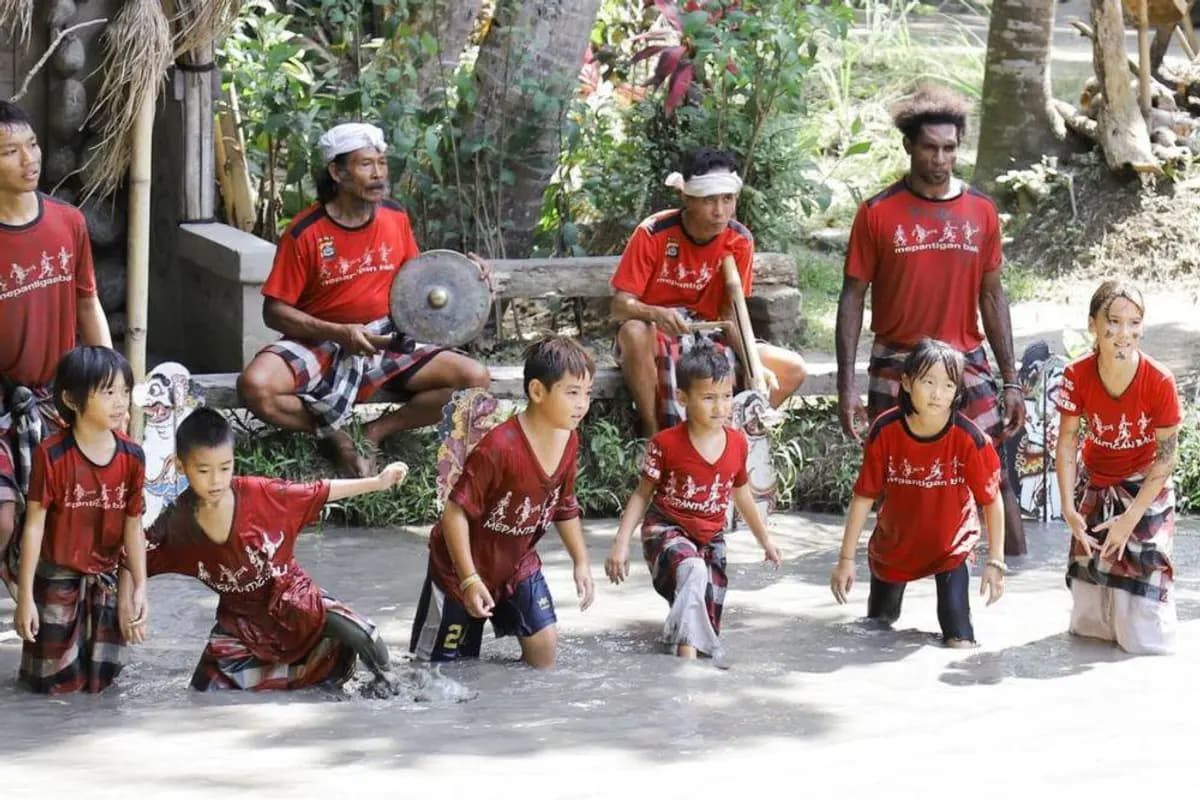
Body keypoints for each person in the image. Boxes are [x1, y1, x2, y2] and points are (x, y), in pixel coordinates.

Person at [835, 84, 1027, 556]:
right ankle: (885, 599)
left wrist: (1011, 379)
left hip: (965, 358)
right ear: (909, 146)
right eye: (929, 147)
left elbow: (993, 294)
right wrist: (846, 385)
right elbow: (852, 296)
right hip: (897, 360)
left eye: (949, 148)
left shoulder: (981, 211)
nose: (940, 159)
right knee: (892, 481)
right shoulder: (877, 213)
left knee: (994, 472)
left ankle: (1013, 571)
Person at [237, 122, 490, 478]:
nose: (378, 174)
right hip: (318, 341)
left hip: (385, 339)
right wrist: (339, 333)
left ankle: (374, 433)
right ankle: (335, 436)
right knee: (256, 387)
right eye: (365, 164)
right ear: (337, 172)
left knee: (474, 378)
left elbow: (419, 281)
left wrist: (467, 272)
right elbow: (274, 312)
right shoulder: (305, 232)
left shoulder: (395, 217)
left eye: (382, 163)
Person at [137, 407, 411, 694]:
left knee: (365, 635)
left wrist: (377, 483)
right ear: (181, 467)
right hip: (240, 619)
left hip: (293, 598)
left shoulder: (262, 494)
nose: (216, 481)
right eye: (203, 470)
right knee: (201, 692)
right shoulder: (177, 521)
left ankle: (392, 685)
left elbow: (318, 490)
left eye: (225, 468)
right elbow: (139, 556)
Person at [409, 336, 596, 668]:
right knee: (442, 669)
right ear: (538, 392)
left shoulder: (569, 438)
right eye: (572, 393)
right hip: (459, 569)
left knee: (544, 650)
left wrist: (580, 561)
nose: (582, 404)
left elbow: (563, 503)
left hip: (517, 562)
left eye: (587, 393)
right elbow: (454, 514)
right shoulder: (499, 447)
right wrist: (468, 579)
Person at [605, 343, 781, 664]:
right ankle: (683, 670)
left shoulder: (737, 443)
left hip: (710, 538)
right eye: (708, 398)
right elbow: (642, 494)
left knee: (709, 631)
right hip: (665, 530)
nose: (720, 407)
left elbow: (741, 494)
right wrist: (620, 544)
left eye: (726, 396)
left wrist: (765, 541)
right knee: (693, 569)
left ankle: (682, 656)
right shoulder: (665, 444)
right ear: (683, 399)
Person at [611, 147, 806, 435]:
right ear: (687, 198)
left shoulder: (739, 240)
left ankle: (733, 440)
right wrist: (655, 313)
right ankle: (655, 437)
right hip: (657, 333)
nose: (719, 212)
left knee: (792, 369)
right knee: (633, 332)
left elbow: (731, 314)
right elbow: (619, 306)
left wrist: (753, 365)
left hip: (711, 337)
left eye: (727, 200)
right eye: (709, 201)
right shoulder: (654, 232)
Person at [0, 100, 111, 596]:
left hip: (57, 397)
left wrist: (110, 381)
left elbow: (88, 305)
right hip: (3, 401)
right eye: (9, 151)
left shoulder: (68, 222)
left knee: (66, 525)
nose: (29, 159)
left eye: (33, 145)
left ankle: (39, 615)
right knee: (3, 520)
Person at [830, 339, 1006, 647]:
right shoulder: (885, 430)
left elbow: (992, 500)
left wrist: (996, 561)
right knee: (876, 630)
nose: (938, 394)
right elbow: (864, 496)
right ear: (908, 383)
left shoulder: (968, 438)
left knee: (959, 642)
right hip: (895, 543)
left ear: (957, 392)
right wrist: (846, 559)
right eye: (928, 382)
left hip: (951, 545)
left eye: (948, 385)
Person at [1055, 281, 1180, 655]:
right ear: (1093, 324)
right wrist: (1067, 507)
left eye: (1134, 323)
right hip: (1095, 484)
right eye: (1114, 321)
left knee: (1144, 624)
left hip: (1146, 489)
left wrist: (1130, 520)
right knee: (1089, 615)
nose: (1124, 334)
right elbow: (1067, 441)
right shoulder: (1077, 375)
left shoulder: (1160, 381)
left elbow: (1166, 458)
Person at [12, 346, 146, 693]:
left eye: (125, 391)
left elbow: (134, 526)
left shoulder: (132, 456)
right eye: (109, 391)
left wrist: (141, 588)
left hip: (106, 579)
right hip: (57, 577)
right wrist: (25, 597)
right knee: (49, 684)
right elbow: (34, 526)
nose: (121, 401)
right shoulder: (52, 454)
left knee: (103, 682)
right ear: (71, 399)